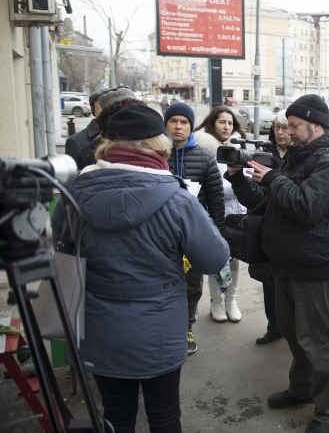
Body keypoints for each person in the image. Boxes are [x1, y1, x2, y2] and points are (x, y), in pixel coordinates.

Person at [52, 102, 229, 433]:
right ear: (158, 143)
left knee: (115, 416)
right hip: (158, 331)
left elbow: (63, 245)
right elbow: (215, 259)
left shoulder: (74, 193)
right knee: (163, 418)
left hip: (99, 327)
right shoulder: (178, 199)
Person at [225, 94, 329, 433]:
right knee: (295, 337)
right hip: (285, 264)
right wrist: (240, 178)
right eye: (287, 126)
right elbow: (266, 205)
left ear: (316, 125)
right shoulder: (297, 157)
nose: (289, 132)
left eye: (294, 126)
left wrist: (274, 179)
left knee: (319, 344)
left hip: (314, 267)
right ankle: (301, 389)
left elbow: (307, 207)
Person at [164, 102, 225, 354]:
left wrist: (218, 234)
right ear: (165, 124)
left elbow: (216, 199)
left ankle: (187, 326)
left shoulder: (204, 157)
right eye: (173, 121)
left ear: (191, 126)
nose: (178, 127)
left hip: (192, 237)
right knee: (164, 282)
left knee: (191, 284)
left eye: (184, 122)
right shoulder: (156, 156)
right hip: (162, 237)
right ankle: (167, 327)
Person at [193, 106, 247, 324]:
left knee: (235, 259)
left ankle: (231, 300)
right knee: (217, 258)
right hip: (215, 212)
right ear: (212, 123)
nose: (226, 127)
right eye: (222, 122)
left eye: (230, 123)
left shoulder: (240, 147)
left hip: (238, 211)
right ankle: (216, 301)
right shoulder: (203, 148)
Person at [252, 110, 294, 345]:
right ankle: (274, 326)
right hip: (267, 221)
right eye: (276, 127)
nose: (279, 132)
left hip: (290, 224)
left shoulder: (300, 153)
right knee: (268, 279)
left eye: (284, 127)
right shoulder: (264, 153)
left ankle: (292, 329)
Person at [65, 88, 106, 170]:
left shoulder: (122, 137)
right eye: (103, 106)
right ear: (94, 111)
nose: (109, 110)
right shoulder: (76, 142)